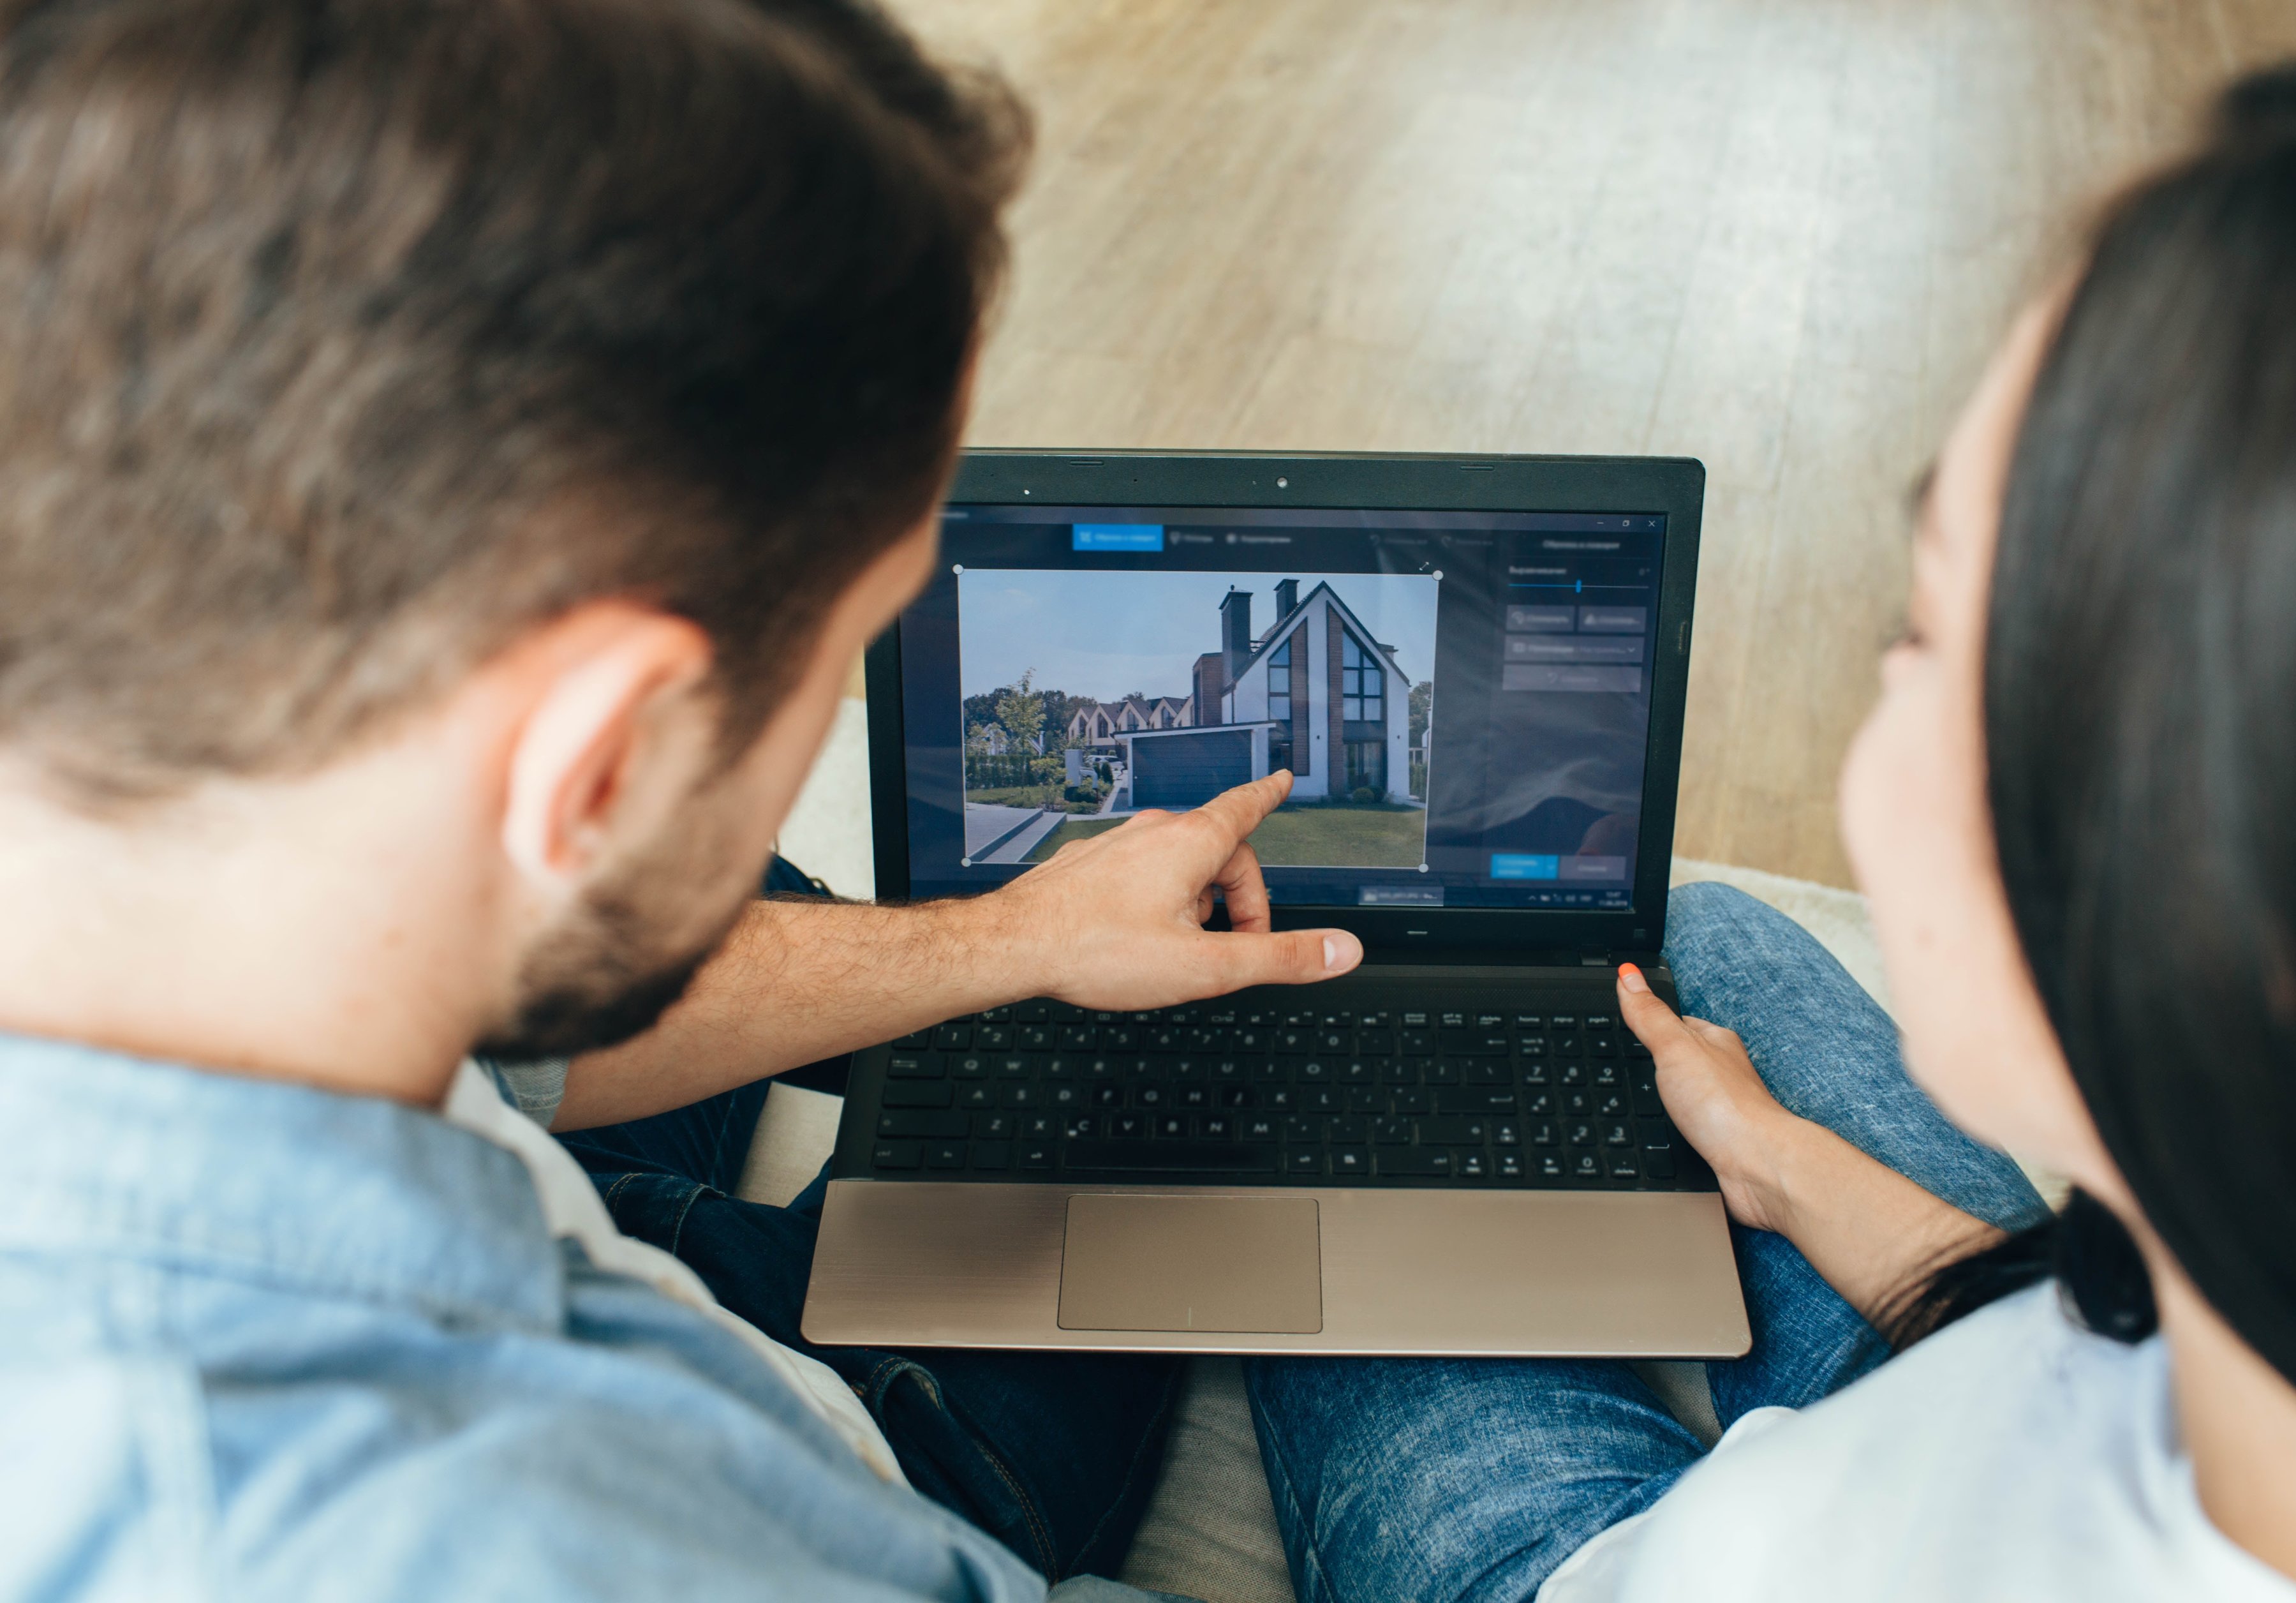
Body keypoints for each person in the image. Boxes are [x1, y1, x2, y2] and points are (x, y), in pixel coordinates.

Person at [0, 1, 1361, 1598]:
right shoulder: (519, 1538)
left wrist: (1010, 933)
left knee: (749, 892)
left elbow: (512, 1043)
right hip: (848, 1463)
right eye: (853, 642)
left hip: (568, 1218)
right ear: (599, 758)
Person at [1242, 31, 2296, 1603]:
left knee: (1318, 1118)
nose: (1877, 716)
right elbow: (2091, 1357)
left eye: (1929, 631)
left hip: (1572, 1565)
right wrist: (1785, 1164)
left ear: (2235, 903)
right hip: (1985, 1368)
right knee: (1699, 939)